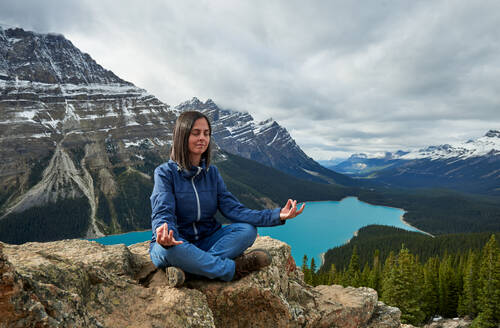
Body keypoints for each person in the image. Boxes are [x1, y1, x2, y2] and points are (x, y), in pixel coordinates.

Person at [149, 110, 305, 286]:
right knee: (169, 252)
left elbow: (234, 209)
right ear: (182, 135)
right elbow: (163, 210)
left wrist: (277, 215)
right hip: (178, 242)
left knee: (247, 230)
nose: (202, 138)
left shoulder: (212, 173)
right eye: (196, 133)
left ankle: (193, 269)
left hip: (208, 240)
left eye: (206, 133)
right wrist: (165, 235)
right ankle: (232, 269)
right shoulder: (164, 173)